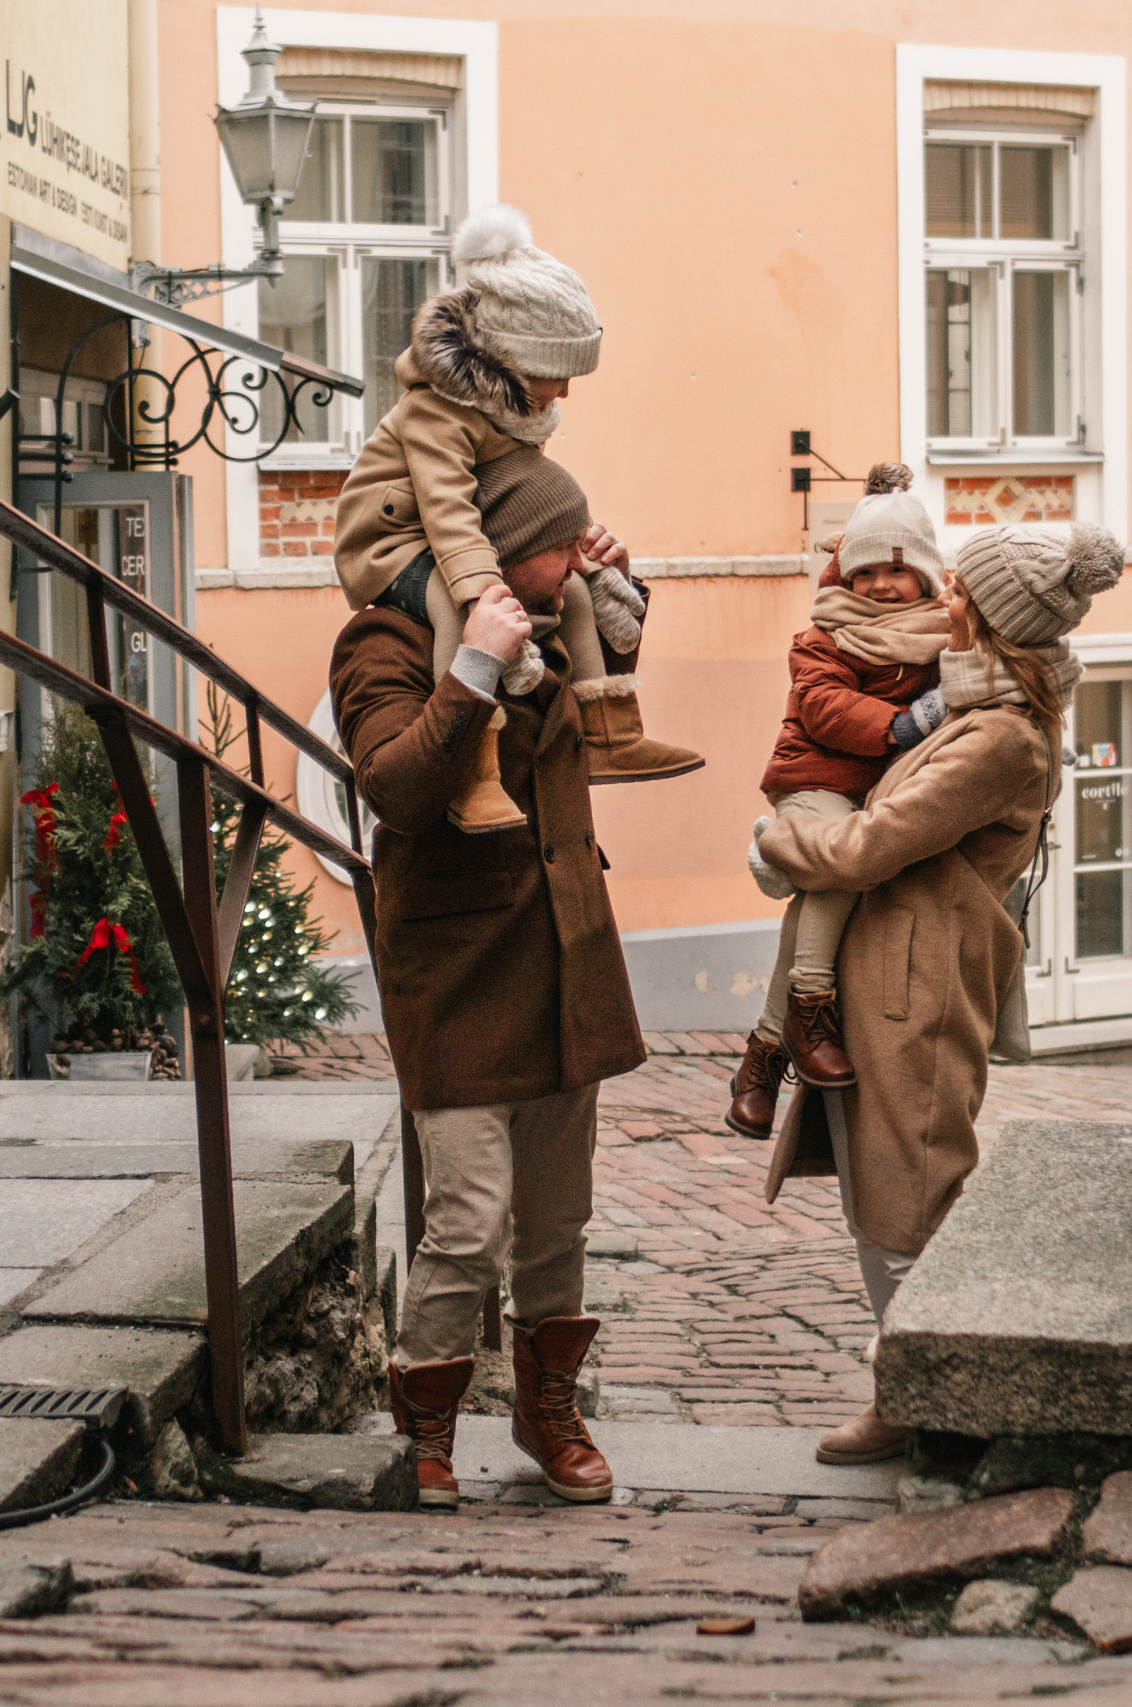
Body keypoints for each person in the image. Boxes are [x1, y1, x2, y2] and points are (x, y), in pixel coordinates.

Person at [751, 523, 1125, 1463]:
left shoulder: (1001, 738)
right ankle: (913, 1384)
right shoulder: (974, 703)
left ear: (992, 620)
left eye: (963, 591)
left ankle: (942, 1398)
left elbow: (874, 843)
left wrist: (771, 842)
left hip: (915, 985)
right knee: (882, 1194)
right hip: (885, 972)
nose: (944, 594)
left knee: (912, 1197)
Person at [330, 444, 646, 1509]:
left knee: (557, 1221)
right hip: (458, 970)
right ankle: (425, 1426)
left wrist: (611, 591)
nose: (574, 555)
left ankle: (546, 1413)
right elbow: (396, 788)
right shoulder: (384, 637)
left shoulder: (560, 631)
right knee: (466, 1221)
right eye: (560, 540)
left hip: (564, 955)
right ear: (503, 552)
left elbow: (612, 701)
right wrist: (469, 668)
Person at [333, 203, 698, 839]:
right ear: (513, 358)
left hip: (566, 920)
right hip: (392, 539)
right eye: (556, 373)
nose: (566, 391)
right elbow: (450, 511)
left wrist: (588, 557)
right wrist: (481, 605)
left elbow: (521, 498)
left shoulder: (512, 405)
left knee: (581, 594)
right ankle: (476, 776)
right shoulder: (435, 411)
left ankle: (611, 731)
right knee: (458, 606)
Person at [726, 465, 950, 1138]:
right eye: (864, 574)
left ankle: (762, 1060)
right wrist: (903, 725)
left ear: (925, 575)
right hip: (813, 779)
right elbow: (824, 710)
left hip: (869, 792)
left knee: (816, 895)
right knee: (843, 864)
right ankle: (810, 1005)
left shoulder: (938, 630)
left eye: (895, 571)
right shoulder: (825, 633)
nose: (879, 586)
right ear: (845, 578)